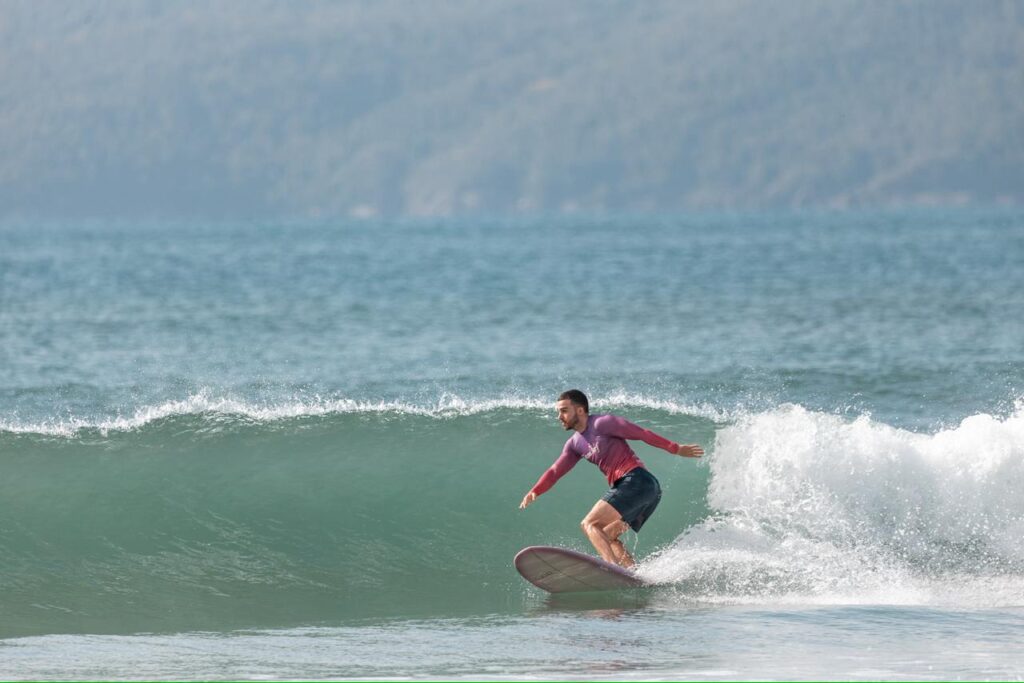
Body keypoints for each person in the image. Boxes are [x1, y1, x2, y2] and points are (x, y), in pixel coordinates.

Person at [519, 389, 704, 568]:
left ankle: (610, 567)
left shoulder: (602, 423)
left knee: (590, 524)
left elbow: (641, 433)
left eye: (564, 411)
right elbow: (554, 471)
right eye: (559, 412)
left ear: (580, 410)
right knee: (606, 536)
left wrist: (675, 448)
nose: (559, 416)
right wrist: (536, 490)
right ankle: (633, 575)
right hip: (647, 490)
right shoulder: (575, 444)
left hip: (636, 480)